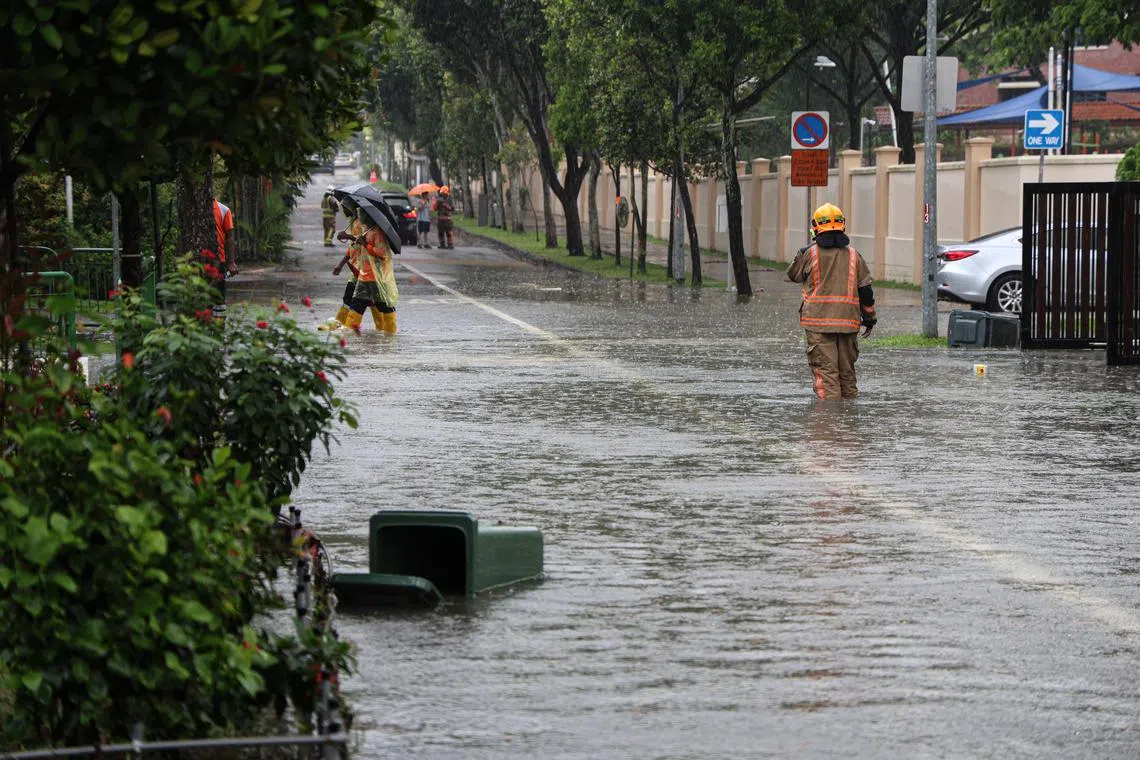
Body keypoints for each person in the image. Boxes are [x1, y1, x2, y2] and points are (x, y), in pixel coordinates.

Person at [786, 203, 876, 400]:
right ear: (843, 226)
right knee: (847, 375)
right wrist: (869, 319)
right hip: (848, 323)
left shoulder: (810, 254)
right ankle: (849, 424)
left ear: (816, 228)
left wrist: (802, 253)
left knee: (826, 376)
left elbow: (793, 275)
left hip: (818, 324)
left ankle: (828, 425)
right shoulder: (854, 255)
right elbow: (866, 291)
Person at [342, 211, 399, 335]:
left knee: (383, 305)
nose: (360, 217)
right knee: (357, 303)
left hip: (376, 277)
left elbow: (381, 252)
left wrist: (366, 245)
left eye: (362, 214)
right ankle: (349, 332)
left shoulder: (378, 233)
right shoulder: (367, 230)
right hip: (365, 275)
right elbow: (356, 248)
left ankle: (391, 331)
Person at [319, 205, 363, 331]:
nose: (343, 210)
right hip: (355, 267)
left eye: (345, 207)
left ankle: (387, 329)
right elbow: (353, 248)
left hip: (368, 270)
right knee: (349, 297)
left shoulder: (363, 223)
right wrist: (341, 263)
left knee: (375, 303)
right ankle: (342, 324)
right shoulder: (354, 222)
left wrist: (349, 237)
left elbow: (366, 243)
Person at [210, 198, 238, 321]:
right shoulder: (192, 210)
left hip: (218, 262)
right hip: (198, 262)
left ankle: (218, 335)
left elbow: (230, 237)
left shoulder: (223, 210)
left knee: (218, 300)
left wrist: (231, 263)